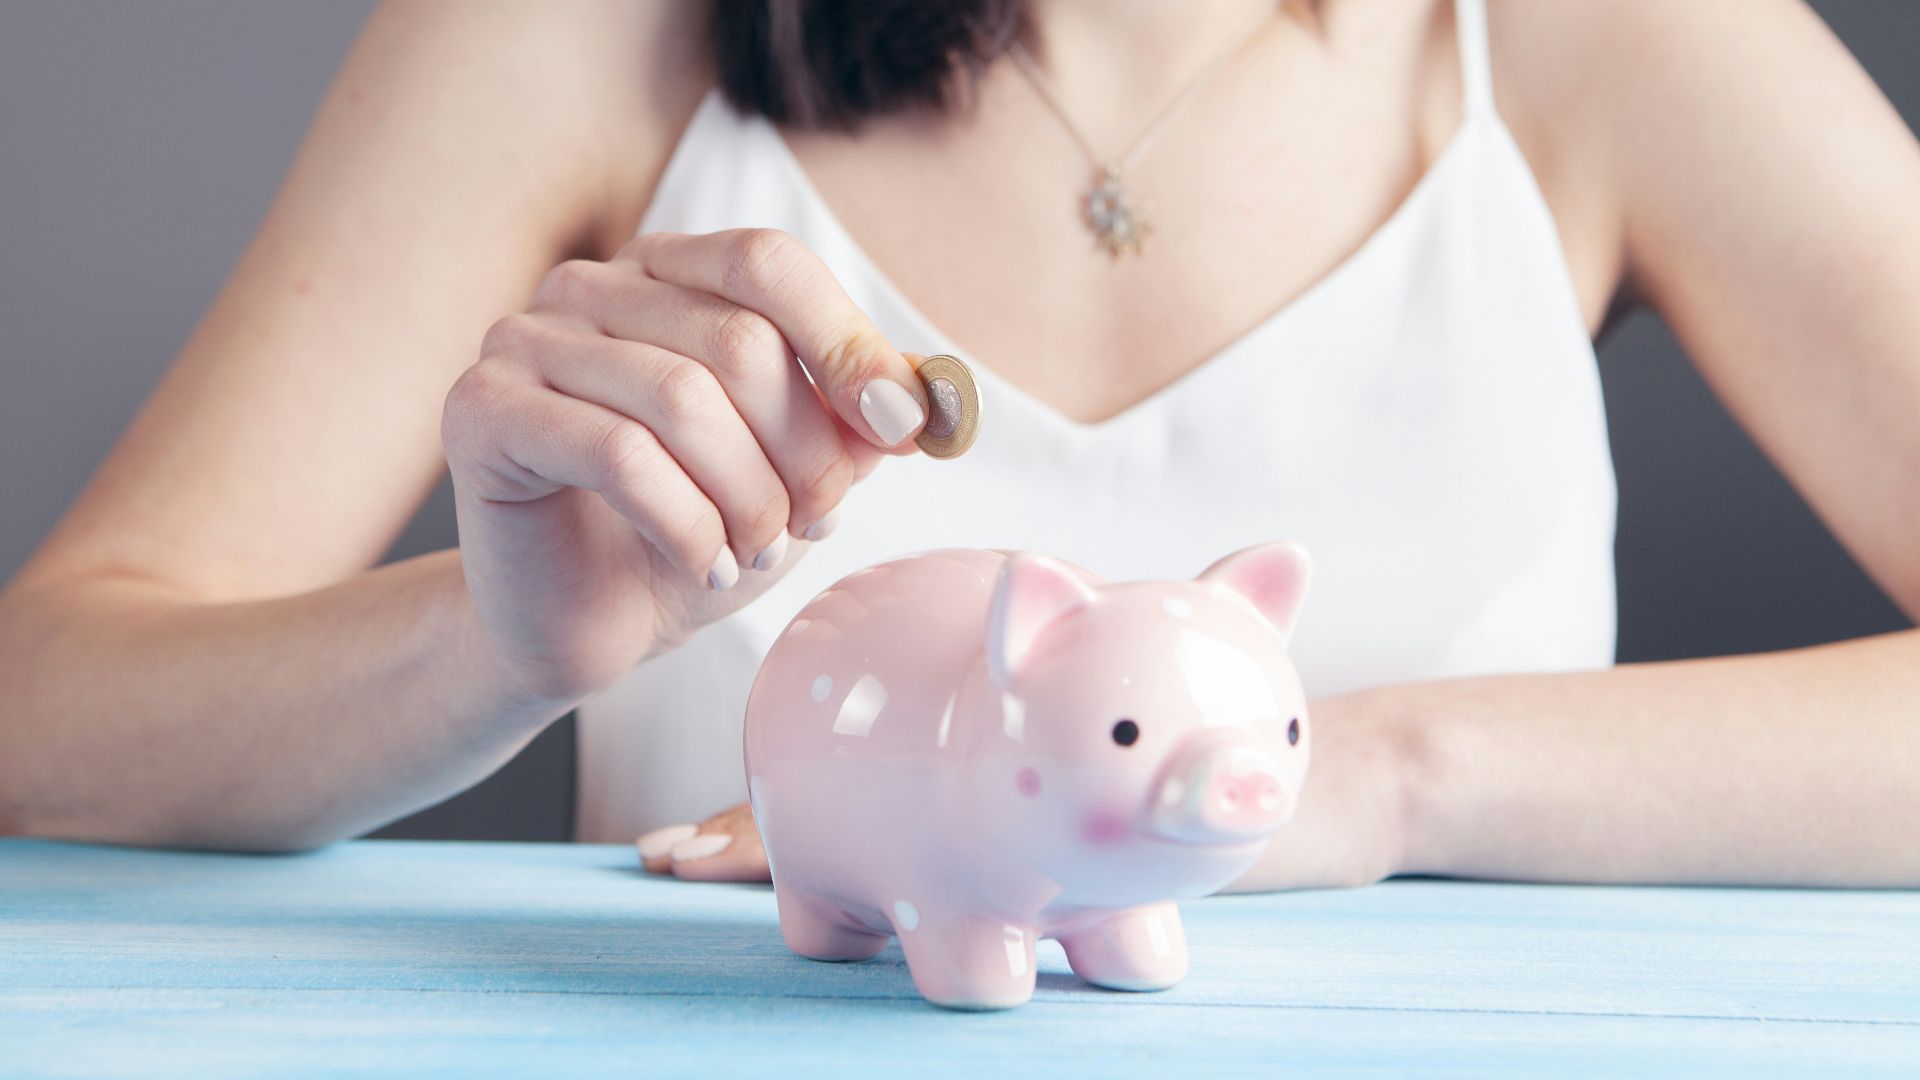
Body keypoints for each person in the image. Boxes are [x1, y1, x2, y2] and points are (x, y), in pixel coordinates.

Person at [1, 0, 1916, 893]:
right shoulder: (575, 36)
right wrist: (488, 649)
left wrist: (1376, 781)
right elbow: (46, 708)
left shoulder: (1614, 39)